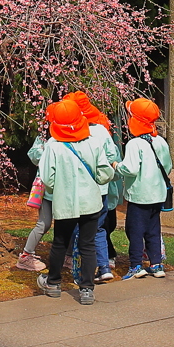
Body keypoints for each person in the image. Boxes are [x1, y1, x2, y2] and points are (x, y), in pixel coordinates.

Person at [36, 99, 114, 306]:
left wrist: (59, 188)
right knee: (87, 244)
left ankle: (53, 283)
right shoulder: (93, 143)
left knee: (60, 242)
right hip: (91, 202)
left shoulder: (53, 146)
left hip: (65, 203)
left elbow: (47, 179)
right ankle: (87, 289)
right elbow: (105, 173)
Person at [64, 91, 121, 282]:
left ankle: (80, 271)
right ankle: (104, 267)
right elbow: (112, 156)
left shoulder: (67, 133)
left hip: (78, 189)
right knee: (98, 229)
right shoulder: (101, 130)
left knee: (79, 229)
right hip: (101, 189)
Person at [114, 98, 172, 280]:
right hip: (158, 194)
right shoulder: (160, 142)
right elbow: (168, 166)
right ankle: (156, 265)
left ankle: (136, 265)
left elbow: (129, 169)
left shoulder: (134, 144)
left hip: (139, 196)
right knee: (154, 230)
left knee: (135, 231)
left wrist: (116, 166)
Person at [17, 133, 51, 272]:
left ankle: (67, 256)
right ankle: (26, 255)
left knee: (67, 224)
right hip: (46, 189)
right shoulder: (43, 136)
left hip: (65, 190)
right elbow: (34, 155)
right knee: (44, 223)